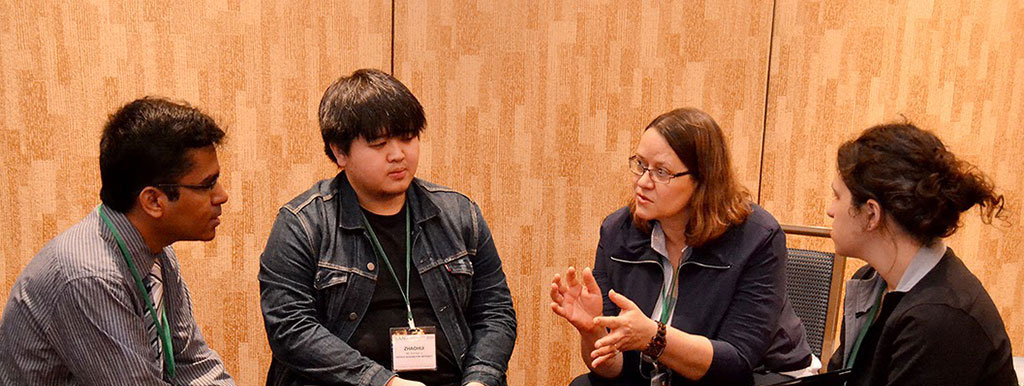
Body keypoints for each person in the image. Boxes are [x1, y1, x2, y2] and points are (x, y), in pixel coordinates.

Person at [259, 68, 516, 386]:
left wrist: (480, 379)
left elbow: (496, 311)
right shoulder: (303, 224)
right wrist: (382, 382)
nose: (398, 155)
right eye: (379, 144)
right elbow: (290, 328)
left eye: (408, 138)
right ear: (340, 152)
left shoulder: (460, 214)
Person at [551, 107, 817, 386]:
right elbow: (618, 371)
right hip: (667, 373)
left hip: (762, 375)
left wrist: (654, 337)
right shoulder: (618, 232)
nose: (642, 182)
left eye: (661, 172)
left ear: (703, 180)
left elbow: (735, 364)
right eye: (640, 164)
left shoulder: (757, 238)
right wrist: (591, 332)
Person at [0, 97, 235, 385]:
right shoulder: (89, 275)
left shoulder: (158, 252)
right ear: (153, 201)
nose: (221, 195)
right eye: (207, 184)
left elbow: (193, 364)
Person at [824, 122, 1018, 385]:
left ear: (871, 214)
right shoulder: (873, 281)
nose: (829, 210)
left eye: (837, 196)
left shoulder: (940, 320)